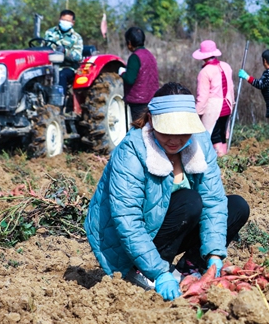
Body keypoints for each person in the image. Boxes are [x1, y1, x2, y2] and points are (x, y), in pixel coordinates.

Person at [85, 82, 250, 300]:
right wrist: (159, 272)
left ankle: (191, 266)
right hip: (125, 241)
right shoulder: (132, 151)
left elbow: (214, 201)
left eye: (182, 132)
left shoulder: (199, 142)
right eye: (167, 132)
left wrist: (214, 252)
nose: (175, 140)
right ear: (152, 120)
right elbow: (127, 221)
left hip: (166, 226)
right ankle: (145, 270)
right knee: (189, 201)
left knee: (236, 206)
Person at [192, 40, 235, 156]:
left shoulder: (205, 72)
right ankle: (225, 158)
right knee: (221, 134)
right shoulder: (226, 66)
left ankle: (219, 160)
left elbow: (203, 96)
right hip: (227, 105)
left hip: (213, 108)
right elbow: (231, 87)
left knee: (213, 136)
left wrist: (196, 113)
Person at [120, 27, 160, 123]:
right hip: (151, 99)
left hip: (138, 102)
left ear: (129, 43)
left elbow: (130, 79)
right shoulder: (150, 55)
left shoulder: (135, 57)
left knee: (139, 129)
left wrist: (122, 73)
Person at [43, 9, 83, 92]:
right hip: (49, 66)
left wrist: (65, 51)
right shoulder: (49, 33)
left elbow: (78, 57)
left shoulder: (76, 37)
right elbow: (42, 48)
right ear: (59, 20)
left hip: (67, 67)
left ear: (73, 23)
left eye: (68, 21)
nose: (65, 22)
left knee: (61, 75)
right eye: (63, 20)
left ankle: (59, 101)